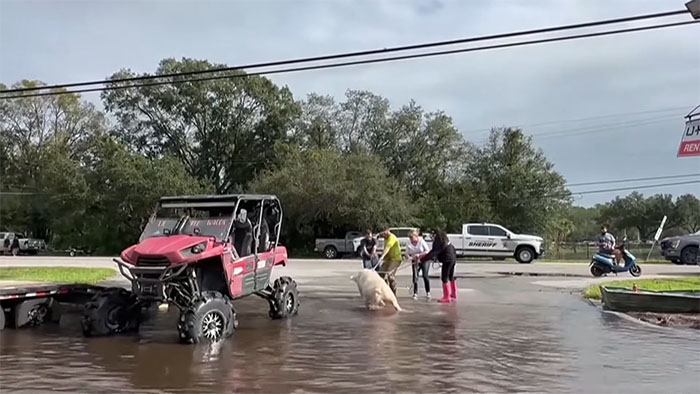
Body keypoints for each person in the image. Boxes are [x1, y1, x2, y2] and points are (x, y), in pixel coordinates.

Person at [420, 231, 457, 303]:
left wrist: (422, 260)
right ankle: (453, 294)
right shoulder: (447, 242)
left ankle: (447, 297)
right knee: (451, 276)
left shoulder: (439, 241)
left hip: (447, 259)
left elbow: (433, 252)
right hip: (453, 257)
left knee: (444, 278)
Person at [406, 230, 431, 300]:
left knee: (425, 275)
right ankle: (415, 293)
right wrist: (409, 257)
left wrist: (419, 255)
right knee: (415, 276)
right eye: (410, 238)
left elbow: (427, 251)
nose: (411, 240)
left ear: (416, 237)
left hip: (424, 260)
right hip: (415, 260)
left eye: (412, 238)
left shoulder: (421, 241)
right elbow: (407, 253)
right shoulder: (409, 243)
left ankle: (428, 292)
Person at [378, 227, 402, 295]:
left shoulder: (392, 237)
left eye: (384, 232)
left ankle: (393, 291)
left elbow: (388, 247)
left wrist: (382, 256)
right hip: (388, 259)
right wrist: (383, 258)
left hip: (396, 259)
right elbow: (385, 249)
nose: (383, 234)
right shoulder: (385, 239)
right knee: (380, 273)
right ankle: (384, 290)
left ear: (387, 231)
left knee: (389, 275)